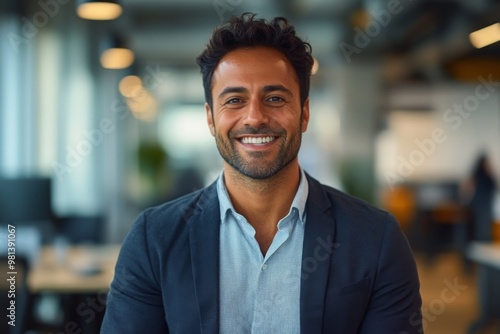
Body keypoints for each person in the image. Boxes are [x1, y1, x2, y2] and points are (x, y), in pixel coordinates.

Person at [101, 13, 422, 334]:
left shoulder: (375, 239)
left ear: (304, 113)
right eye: (235, 100)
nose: (255, 117)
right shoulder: (154, 239)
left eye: (275, 98)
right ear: (211, 119)